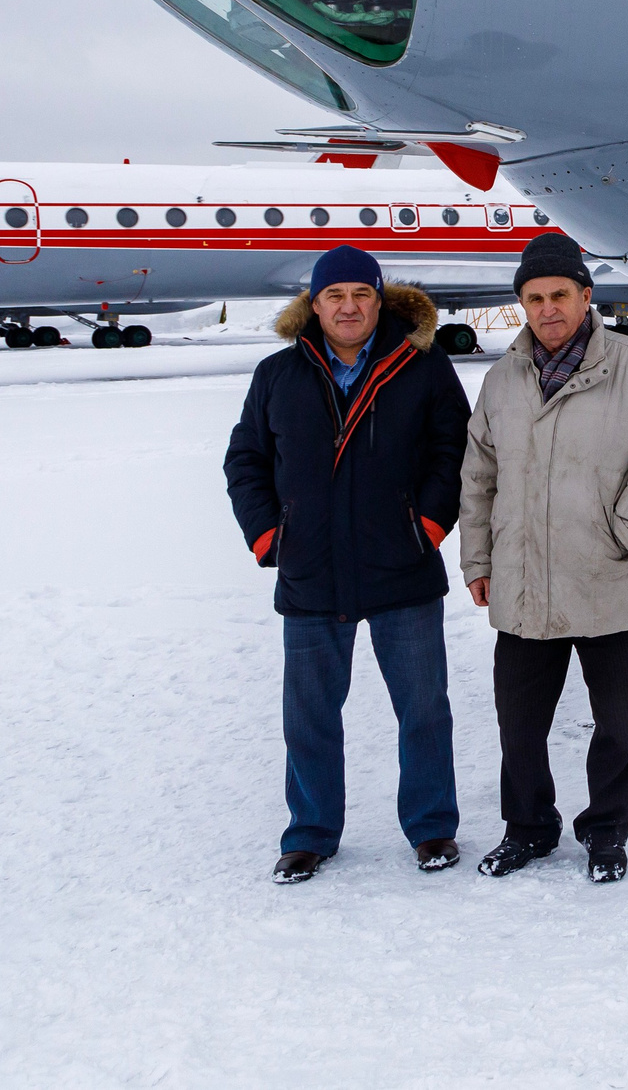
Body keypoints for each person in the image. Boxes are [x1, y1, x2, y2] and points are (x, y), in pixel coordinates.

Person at [225, 245, 473, 884]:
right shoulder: (277, 374)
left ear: (379, 301)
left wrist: (427, 526)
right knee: (308, 715)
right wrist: (269, 537)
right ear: (314, 305)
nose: (349, 307)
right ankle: (310, 833)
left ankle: (431, 827)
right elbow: (246, 460)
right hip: (310, 570)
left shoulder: (422, 365)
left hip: (403, 568)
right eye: (334, 296)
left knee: (423, 709)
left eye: (361, 294)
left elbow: (455, 451)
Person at [461, 232, 628, 884]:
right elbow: (478, 475)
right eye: (534, 298)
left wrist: (623, 531)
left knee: (618, 720)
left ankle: (607, 828)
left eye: (559, 294)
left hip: (609, 575)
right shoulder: (503, 378)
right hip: (524, 579)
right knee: (519, 723)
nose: (548, 309)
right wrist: (479, 560)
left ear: (585, 296)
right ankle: (528, 827)